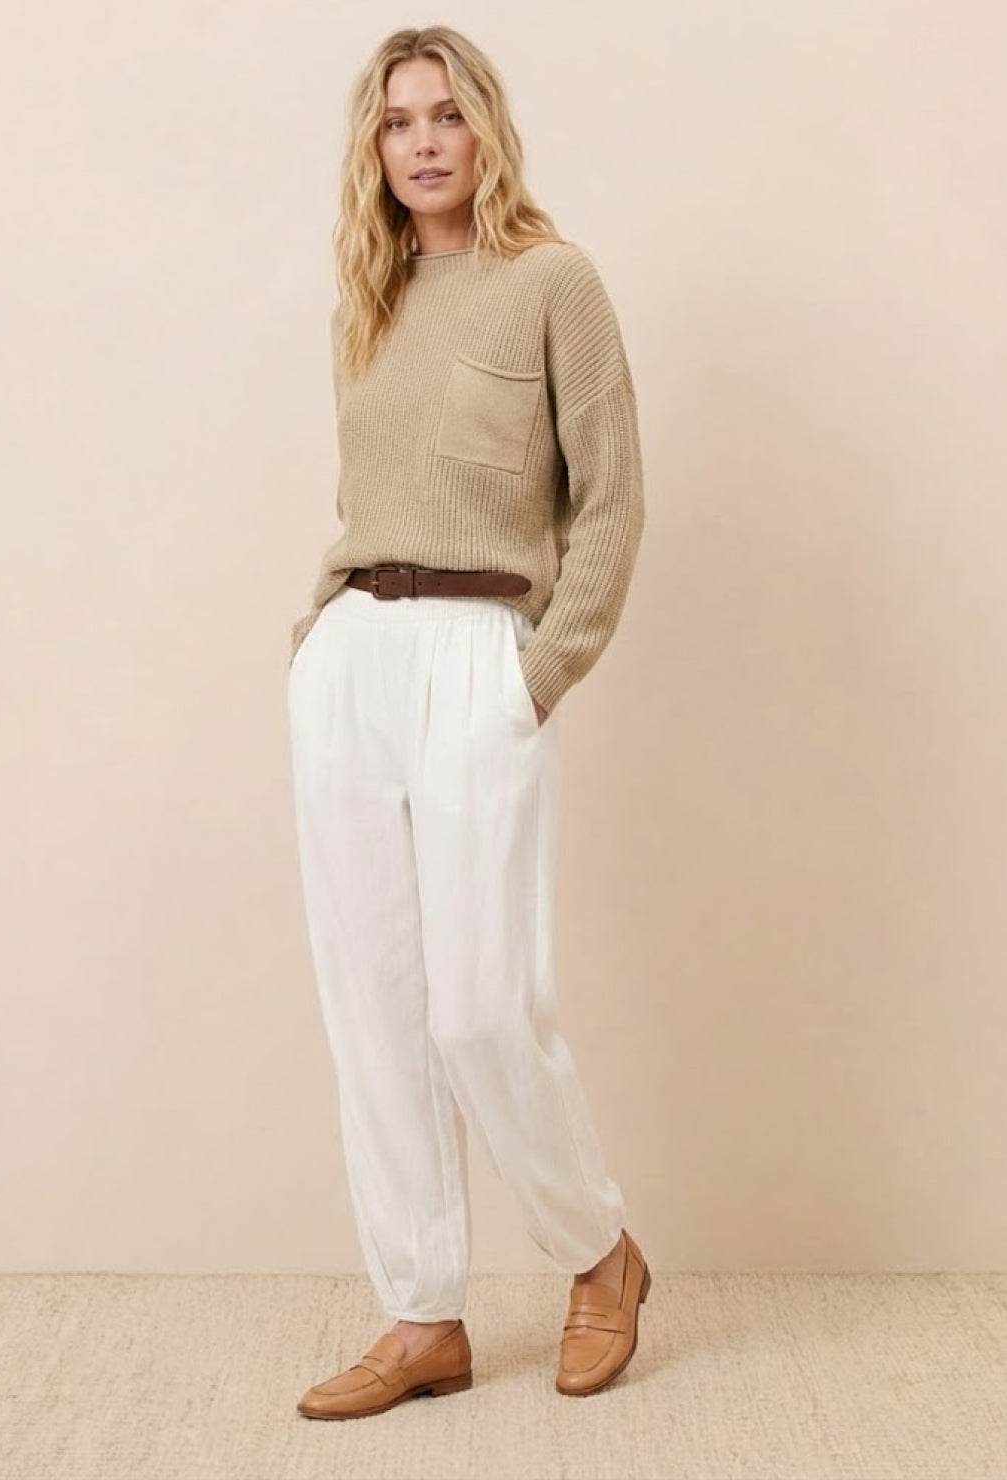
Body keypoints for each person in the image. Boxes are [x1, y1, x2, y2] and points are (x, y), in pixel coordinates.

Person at [286, 25, 650, 1420]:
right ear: (372, 148)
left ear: (485, 125)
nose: (423, 141)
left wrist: (538, 673)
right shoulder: (366, 302)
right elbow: (365, 501)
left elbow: (609, 500)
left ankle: (598, 1252)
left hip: (480, 653)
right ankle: (420, 1312)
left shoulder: (553, 281)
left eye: (445, 114)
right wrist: (318, 645)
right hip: (354, 661)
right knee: (373, 1005)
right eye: (397, 122)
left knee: (484, 1006)